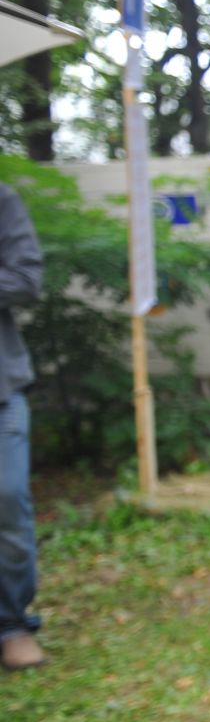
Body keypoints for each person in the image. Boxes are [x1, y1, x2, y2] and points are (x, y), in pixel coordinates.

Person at [0, 181, 44, 671]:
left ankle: (12, 623)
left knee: (7, 499)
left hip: (2, 388)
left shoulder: (2, 201)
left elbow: (25, 279)